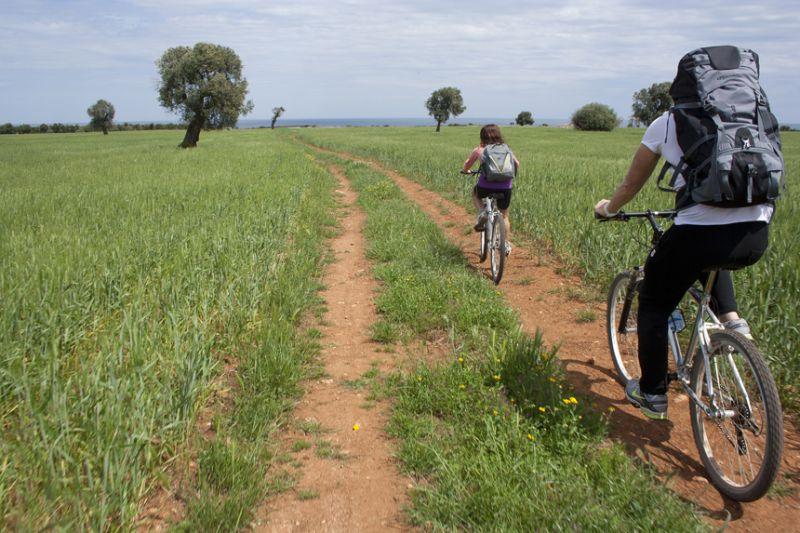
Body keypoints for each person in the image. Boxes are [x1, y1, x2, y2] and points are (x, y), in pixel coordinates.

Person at [594, 110, 772, 420]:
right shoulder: (745, 118)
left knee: (652, 301)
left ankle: (653, 393)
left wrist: (608, 208)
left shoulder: (668, 122)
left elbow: (630, 184)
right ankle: (732, 322)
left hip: (697, 232)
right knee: (710, 260)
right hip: (755, 233)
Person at [462, 124, 520, 255]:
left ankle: (482, 211)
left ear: (482, 137)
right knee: (504, 216)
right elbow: (517, 163)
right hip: (505, 187)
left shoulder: (480, 150)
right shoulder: (507, 149)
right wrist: (509, 177)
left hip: (485, 186)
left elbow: (466, 165)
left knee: (475, 193)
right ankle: (505, 244)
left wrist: (467, 170)